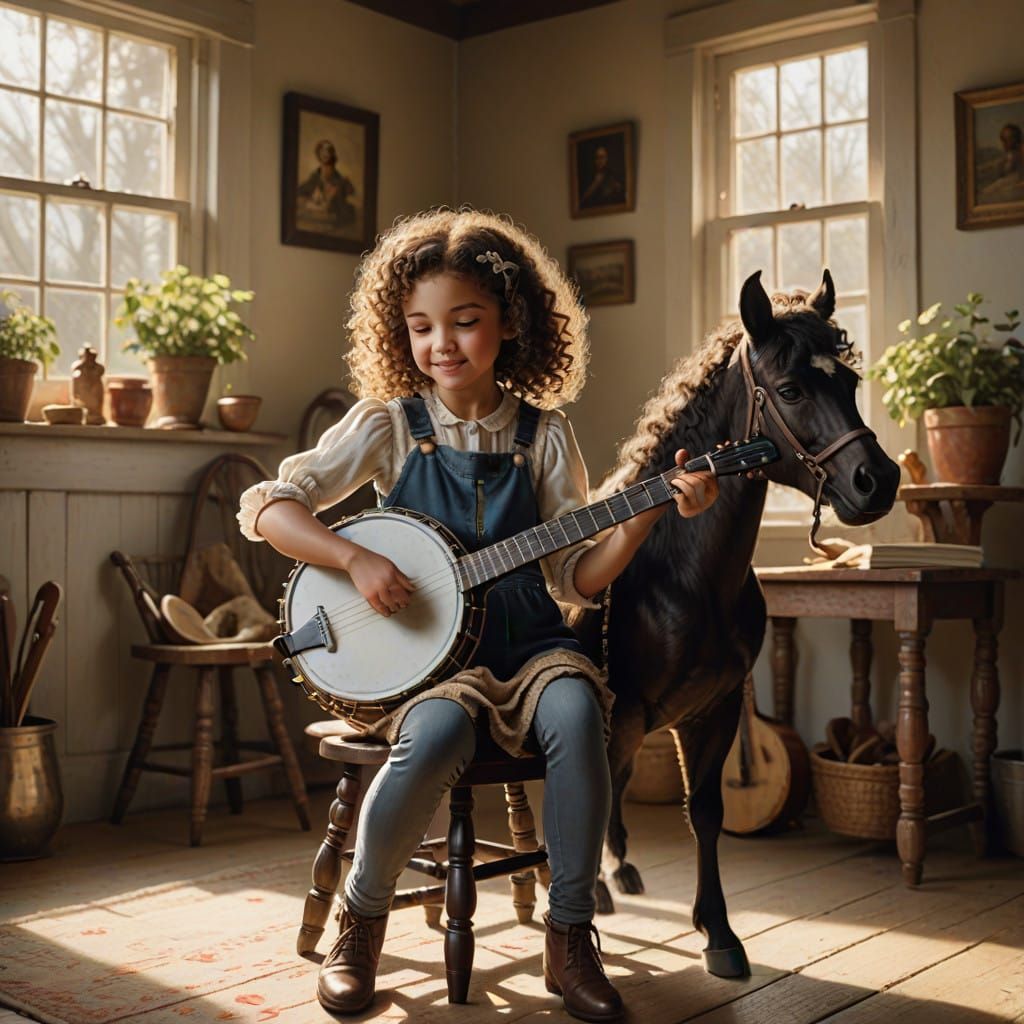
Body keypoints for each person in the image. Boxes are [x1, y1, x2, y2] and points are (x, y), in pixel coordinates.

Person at [237, 208, 718, 1021]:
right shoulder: (389, 424)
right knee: (430, 739)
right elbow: (269, 506)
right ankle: (362, 922)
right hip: (432, 663)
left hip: (532, 648)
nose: (442, 345)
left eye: (465, 322)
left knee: (577, 711)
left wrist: (642, 515)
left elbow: (578, 579)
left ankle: (569, 942)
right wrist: (353, 556)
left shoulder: (544, 436)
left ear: (511, 324)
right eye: (422, 327)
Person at [296, 139, 356, 230]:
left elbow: (348, 192)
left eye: (327, 151)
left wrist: (335, 190)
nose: (325, 154)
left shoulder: (339, 180)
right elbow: (303, 189)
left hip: (331, 211)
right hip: (316, 207)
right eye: (322, 152)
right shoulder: (315, 177)